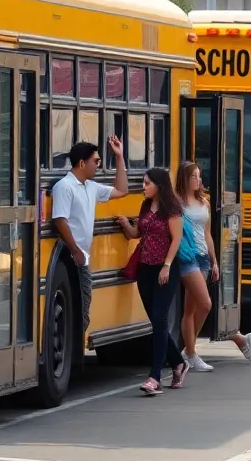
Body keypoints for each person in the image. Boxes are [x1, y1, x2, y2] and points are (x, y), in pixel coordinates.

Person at [174, 161, 251, 371]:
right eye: (194, 176)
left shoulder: (204, 201)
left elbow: (208, 234)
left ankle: (189, 351)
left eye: (199, 176)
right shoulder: (177, 202)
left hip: (202, 256)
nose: (198, 180)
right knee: (206, 304)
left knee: (191, 309)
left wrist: (214, 260)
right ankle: (191, 353)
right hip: (187, 256)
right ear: (185, 178)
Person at [116, 168, 189, 395]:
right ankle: (178, 362)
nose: (144, 186)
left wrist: (167, 265)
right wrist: (124, 224)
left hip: (165, 269)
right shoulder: (145, 205)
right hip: (145, 269)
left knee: (159, 318)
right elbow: (137, 232)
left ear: (159, 184)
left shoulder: (172, 208)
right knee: (156, 322)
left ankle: (154, 377)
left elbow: (176, 238)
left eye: (147, 183)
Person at [51, 137, 128, 334]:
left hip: (83, 255)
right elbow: (60, 220)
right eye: (96, 161)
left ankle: (77, 352)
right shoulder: (64, 186)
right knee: (80, 308)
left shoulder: (90, 187)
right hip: (71, 256)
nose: (98, 165)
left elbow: (121, 190)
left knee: (84, 306)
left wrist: (119, 157)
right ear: (82, 163)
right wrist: (75, 250)